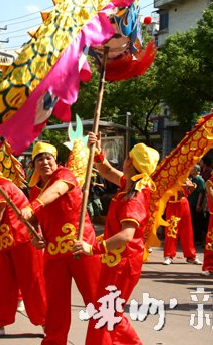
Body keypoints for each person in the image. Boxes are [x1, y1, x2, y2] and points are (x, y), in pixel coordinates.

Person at [74, 132, 159, 345]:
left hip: (123, 262)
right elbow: (107, 170)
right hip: (116, 260)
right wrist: (98, 151)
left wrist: (92, 248)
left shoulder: (135, 197)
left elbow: (126, 235)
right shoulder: (129, 183)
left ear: (130, 162)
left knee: (106, 312)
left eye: (128, 157)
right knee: (107, 311)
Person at [20, 141, 101, 345]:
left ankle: (110, 340)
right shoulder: (34, 189)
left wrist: (33, 206)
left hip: (80, 246)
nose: (45, 162)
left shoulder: (65, 175)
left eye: (48, 158)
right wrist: (34, 237)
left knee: (97, 300)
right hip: (54, 254)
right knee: (55, 306)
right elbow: (34, 221)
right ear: (33, 164)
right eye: (39, 159)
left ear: (56, 161)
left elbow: (57, 191)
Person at [0, 162, 46, 339]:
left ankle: (46, 322)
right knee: (4, 286)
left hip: (24, 242)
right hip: (6, 244)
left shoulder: (2, 187)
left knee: (33, 285)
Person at [162, 177, 201, 266]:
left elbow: (188, 191)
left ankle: (191, 256)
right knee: (171, 231)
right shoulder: (171, 175)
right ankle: (168, 255)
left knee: (187, 231)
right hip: (173, 204)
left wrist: (192, 187)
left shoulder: (185, 177)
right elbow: (165, 189)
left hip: (184, 204)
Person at [187, 165, 207, 246]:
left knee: (197, 222)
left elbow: (201, 193)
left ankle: (197, 239)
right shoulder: (192, 178)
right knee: (192, 221)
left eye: (192, 169)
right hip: (190, 202)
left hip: (195, 203)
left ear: (197, 170)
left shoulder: (200, 180)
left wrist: (198, 205)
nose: (191, 170)